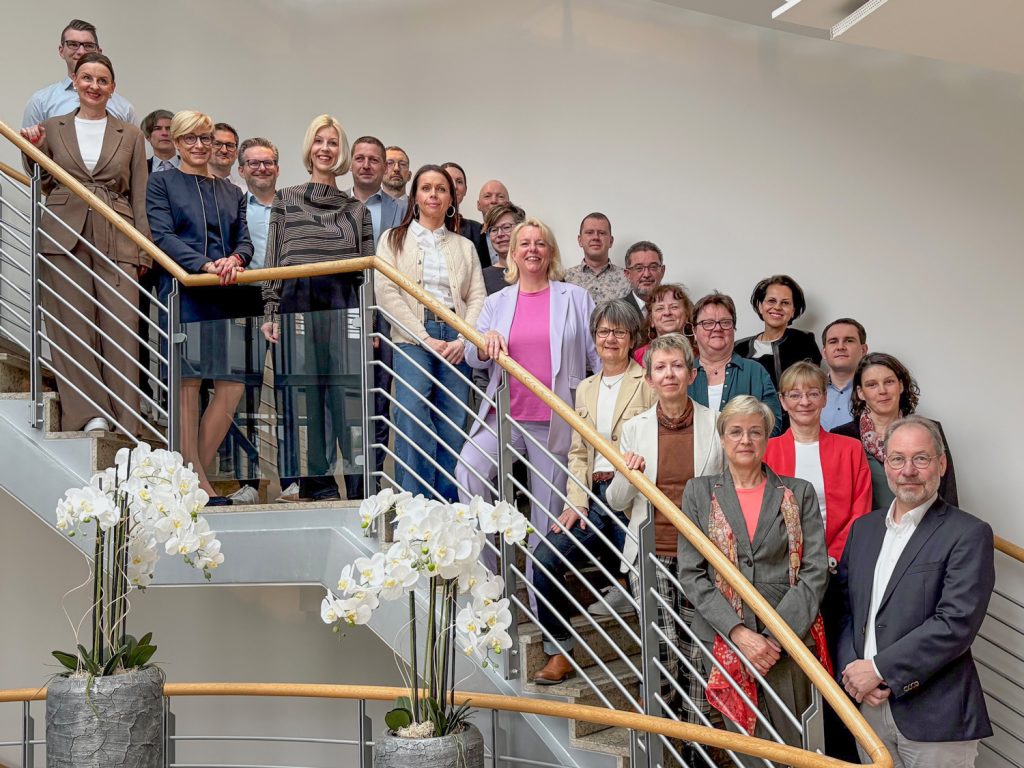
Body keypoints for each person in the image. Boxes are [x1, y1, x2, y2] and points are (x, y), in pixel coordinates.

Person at [677, 396, 829, 759]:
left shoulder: (798, 491)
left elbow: (815, 570)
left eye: (755, 432)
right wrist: (739, 634)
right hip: (723, 635)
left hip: (789, 638)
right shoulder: (698, 492)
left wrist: (773, 636)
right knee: (747, 749)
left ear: (766, 438)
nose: (745, 440)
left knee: (794, 747)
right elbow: (692, 573)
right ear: (723, 438)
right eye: (736, 432)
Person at [838, 416, 994, 768]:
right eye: (897, 459)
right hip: (867, 707)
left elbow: (955, 623)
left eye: (921, 458)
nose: (908, 470)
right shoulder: (863, 530)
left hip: (934, 712)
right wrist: (854, 671)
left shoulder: (968, 533)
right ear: (885, 464)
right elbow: (847, 609)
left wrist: (879, 670)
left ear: (940, 464)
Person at [19, 52, 150, 438]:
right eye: (87, 78)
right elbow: (39, 178)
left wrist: (143, 248)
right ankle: (89, 413)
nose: (94, 86)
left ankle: (127, 415)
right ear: (74, 82)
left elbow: (139, 195)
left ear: (112, 88)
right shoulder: (53, 126)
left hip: (117, 227)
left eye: (102, 80)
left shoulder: (130, 133)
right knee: (70, 323)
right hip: (63, 227)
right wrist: (33, 149)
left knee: (122, 324)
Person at [530, 300, 655, 683]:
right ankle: (559, 651)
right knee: (545, 558)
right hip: (592, 500)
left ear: (632, 336)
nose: (610, 339)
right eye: (603, 331)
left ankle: (655, 675)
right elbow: (578, 452)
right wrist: (576, 502)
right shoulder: (585, 388)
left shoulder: (648, 382)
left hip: (631, 500)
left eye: (619, 331)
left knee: (645, 578)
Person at [456, 217, 599, 549]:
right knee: (468, 471)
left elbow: (597, 358)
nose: (532, 249)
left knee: (547, 516)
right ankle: (488, 580)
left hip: (554, 420)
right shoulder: (496, 302)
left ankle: (539, 601)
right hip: (503, 415)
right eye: (525, 243)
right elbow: (471, 355)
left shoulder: (575, 298)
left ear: (550, 253)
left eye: (540, 243)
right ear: (513, 254)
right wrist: (484, 340)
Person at [604, 334, 724, 721]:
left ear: (691, 374)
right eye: (660, 367)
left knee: (696, 646)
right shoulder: (634, 429)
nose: (668, 374)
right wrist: (627, 473)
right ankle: (664, 710)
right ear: (650, 380)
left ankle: (695, 738)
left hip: (701, 554)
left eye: (676, 366)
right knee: (663, 643)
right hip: (650, 549)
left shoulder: (717, 424)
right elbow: (617, 503)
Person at [261, 115, 373, 502]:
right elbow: (274, 259)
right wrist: (271, 310)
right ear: (309, 148)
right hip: (297, 301)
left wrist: (369, 323)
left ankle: (361, 490)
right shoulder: (285, 199)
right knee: (303, 398)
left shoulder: (357, 209)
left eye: (333, 143)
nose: (325, 149)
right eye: (319, 141)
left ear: (341, 152)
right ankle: (317, 487)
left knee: (348, 399)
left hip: (344, 303)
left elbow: (367, 273)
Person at [763, 360, 871, 761]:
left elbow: (861, 511)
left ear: (825, 398)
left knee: (839, 666)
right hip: (786, 578)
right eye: (795, 394)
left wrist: (830, 559)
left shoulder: (850, 448)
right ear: (783, 401)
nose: (805, 400)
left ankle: (843, 753)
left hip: (837, 575)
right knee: (794, 669)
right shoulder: (768, 451)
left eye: (812, 393)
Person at [146, 110, 255, 504]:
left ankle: (193, 479)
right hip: (184, 291)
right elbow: (162, 235)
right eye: (189, 138)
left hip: (226, 294)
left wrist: (235, 260)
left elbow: (244, 240)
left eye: (205, 138)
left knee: (231, 385)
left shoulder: (232, 192)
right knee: (188, 385)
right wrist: (204, 264)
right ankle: (198, 484)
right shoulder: (161, 183)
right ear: (175, 142)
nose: (198, 145)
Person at [375, 164, 485, 501]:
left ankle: (447, 505)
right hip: (412, 337)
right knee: (411, 414)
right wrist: (424, 337)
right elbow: (387, 292)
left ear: (451, 198)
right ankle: (417, 505)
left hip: (456, 336)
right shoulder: (392, 239)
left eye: (441, 189)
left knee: (453, 420)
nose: (433, 195)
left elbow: (477, 296)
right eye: (426, 188)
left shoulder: (464, 246)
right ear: (415, 196)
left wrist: (463, 338)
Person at [349, 135, 408, 495]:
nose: (367, 164)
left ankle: (370, 484)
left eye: (375, 159)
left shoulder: (400, 211)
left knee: (380, 402)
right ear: (351, 163)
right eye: (361, 158)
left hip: (387, 316)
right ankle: (353, 486)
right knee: (351, 403)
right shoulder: (336, 205)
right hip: (346, 313)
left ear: (385, 167)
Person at [833, 353, 957, 510]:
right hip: (869, 530)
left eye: (889, 382)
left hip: (927, 528)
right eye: (872, 385)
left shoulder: (929, 429)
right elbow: (839, 501)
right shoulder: (842, 436)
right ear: (860, 392)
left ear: (901, 385)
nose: (882, 390)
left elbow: (948, 490)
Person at [687, 292, 783, 435]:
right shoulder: (683, 374)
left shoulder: (755, 372)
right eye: (708, 323)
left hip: (745, 455)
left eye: (725, 322)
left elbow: (773, 424)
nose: (717, 328)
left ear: (734, 328)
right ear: (694, 331)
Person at [23, 19, 135, 128]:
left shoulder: (125, 109)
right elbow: (27, 145)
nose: (81, 51)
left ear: (99, 52)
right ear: (61, 51)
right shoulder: (40, 102)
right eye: (73, 44)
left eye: (88, 45)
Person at [735, 275, 821, 389]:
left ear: (793, 311)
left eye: (785, 303)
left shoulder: (803, 342)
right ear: (760, 306)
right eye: (771, 301)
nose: (777, 307)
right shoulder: (739, 348)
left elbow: (810, 387)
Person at [563, 212, 632, 305]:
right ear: (580, 240)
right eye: (589, 232)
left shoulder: (628, 279)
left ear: (611, 241)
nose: (595, 237)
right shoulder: (565, 279)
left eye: (602, 233)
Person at [820, 318, 868, 431]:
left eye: (849, 341)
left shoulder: (876, 391)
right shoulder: (809, 392)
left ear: (863, 350)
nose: (840, 347)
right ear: (824, 352)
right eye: (833, 341)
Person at [441, 161, 489, 270]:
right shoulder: (422, 225)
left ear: (465, 190)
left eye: (459, 181)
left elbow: (483, 270)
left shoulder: (477, 229)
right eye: (448, 180)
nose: (454, 186)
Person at [632, 283, 693, 365]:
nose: (667, 313)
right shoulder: (639, 357)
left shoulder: (700, 354)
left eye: (674, 307)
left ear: (686, 315)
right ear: (651, 320)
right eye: (660, 308)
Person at [480, 202, 525, 295]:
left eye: (506, 227)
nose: (500, 234)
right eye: (494, 230)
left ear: (521, 229)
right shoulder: (482, 277)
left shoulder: (536, 269)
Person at [621, 240, 665, 317]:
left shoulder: (678, 308)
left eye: (653, 267)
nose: (646, 274)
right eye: (639, 268)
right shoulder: (617, 312)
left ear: (662, 271)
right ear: (628, 274)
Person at [474, 179, 511, 267]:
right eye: (487, 196)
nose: (494, 201)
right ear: (478, 205)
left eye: (500, 196)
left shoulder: (521, 234)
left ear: (509, 204)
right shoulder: (470, 236)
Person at [209, 122, 243, 188]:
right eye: (217, 144)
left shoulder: (245, 194)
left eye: (229, 145)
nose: (224, 150)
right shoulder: (192, 188)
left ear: (236, 153)